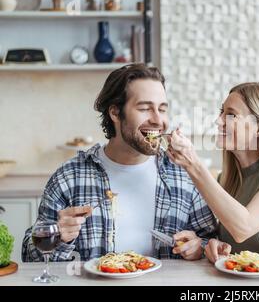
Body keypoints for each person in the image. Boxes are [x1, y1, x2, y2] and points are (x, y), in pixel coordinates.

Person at [22, 64, 217, 262]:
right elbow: (31, 257)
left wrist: (199, 246)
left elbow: (211, 240)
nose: (158, 120)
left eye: (162, 109)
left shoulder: (183, 175)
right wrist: (58, 238)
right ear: (115, 113)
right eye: (145, 108)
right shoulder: (69, 177)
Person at [167, 82, 259, 263]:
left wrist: (193, 164)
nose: (218, 120)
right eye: (221, 112)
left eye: (231, 115)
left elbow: (244, 227)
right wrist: (207, 246)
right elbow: (233, 248)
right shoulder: (228, 180)